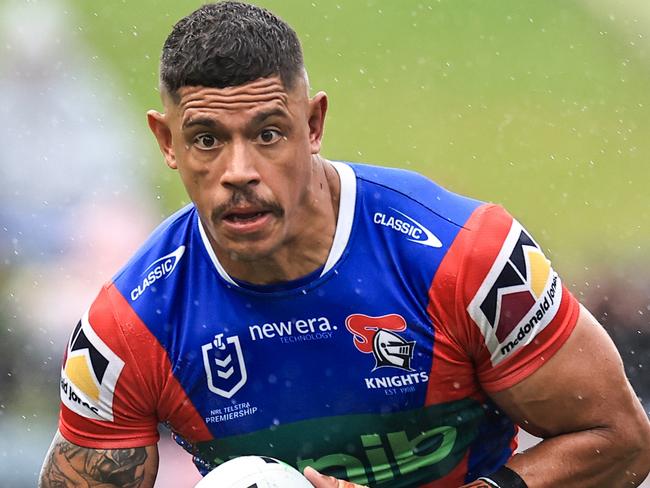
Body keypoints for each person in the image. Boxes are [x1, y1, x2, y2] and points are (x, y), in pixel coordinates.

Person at [39, 2, 650, 487]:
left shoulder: (466, 257)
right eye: (206, 140)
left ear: (314, 126)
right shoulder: (129, 328)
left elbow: (620, 441)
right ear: (165, 140)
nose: (239, 171)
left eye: (269, 133)